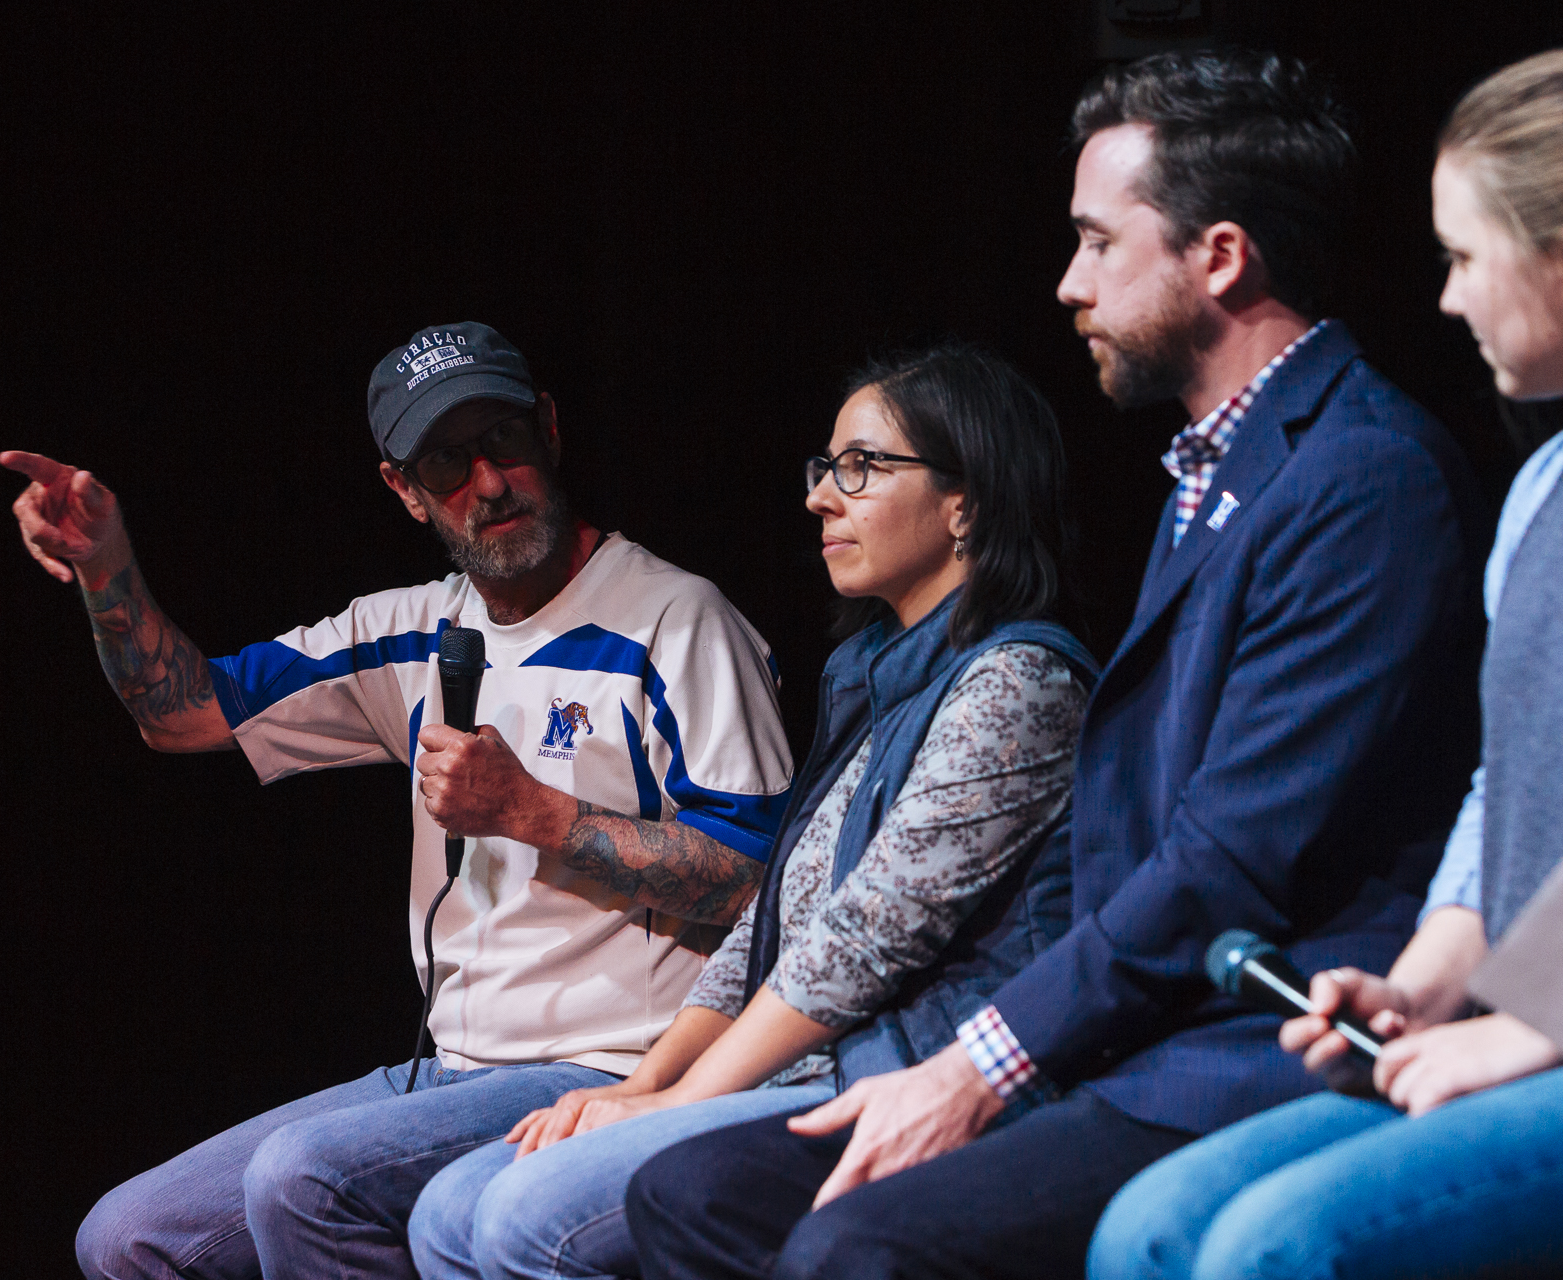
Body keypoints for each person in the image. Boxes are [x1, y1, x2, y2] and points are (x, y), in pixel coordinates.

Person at [623, 50, 1488, 1280]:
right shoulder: (1213, 474)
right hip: (1127, 1028)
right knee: (694, 1194)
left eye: (1096, 242)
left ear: (1220, 256)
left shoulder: (1361, 477)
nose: (1068, 282)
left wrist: (980, 1063)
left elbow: (1224, 860)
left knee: (853, 1246)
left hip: (1242, 1039)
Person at [0, 321, 795, 1280]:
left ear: (549, 427)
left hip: (619, 1066)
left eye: (503, 440)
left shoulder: (677, 620)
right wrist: (103, 567)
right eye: (447, 463)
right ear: (404, 491)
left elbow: (763, 885)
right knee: (129, 1239)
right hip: (444, 1073)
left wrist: (538, 815)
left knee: (304, 1177)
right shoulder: (412, 633)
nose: (489, 483)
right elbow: (185, 713)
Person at [404, 343, 1097, 1280]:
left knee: (527, 1217)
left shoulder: (1017, 683)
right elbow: (775, 922)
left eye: (861, 468)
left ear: (965, 501)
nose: (821, 497)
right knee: (447, 1210)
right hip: (815, 1060)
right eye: (826, 469)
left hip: (912, 1067)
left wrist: (672, 1103)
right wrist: (650, 1081)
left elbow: (859, 943)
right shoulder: (869, 678)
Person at [1087, 49, 1563, 1280]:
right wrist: (1421, 984)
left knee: (1273, 1244)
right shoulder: (1538, 495)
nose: (1447, 301)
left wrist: (1533, 1018)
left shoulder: (1374, 473)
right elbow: (1502, 792)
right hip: (1514, 1017)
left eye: (1465, 257)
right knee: (1145, 1229)